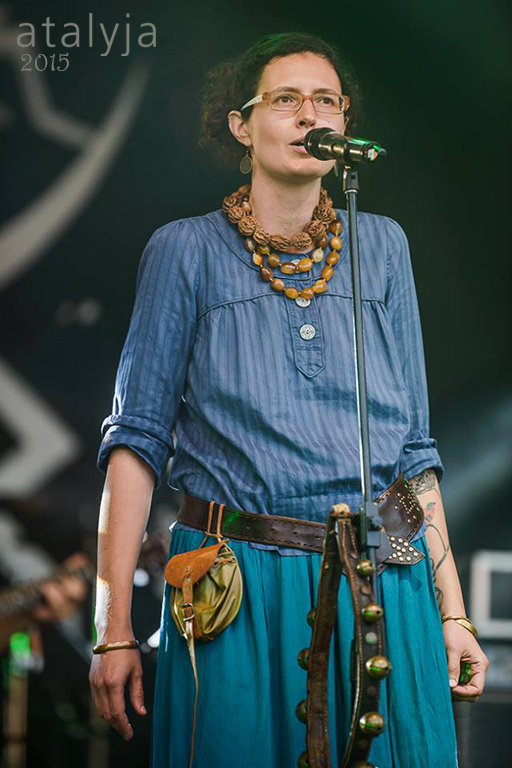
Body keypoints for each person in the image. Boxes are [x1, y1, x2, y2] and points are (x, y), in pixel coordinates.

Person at [89, 32, 489, 768]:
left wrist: (454, 614)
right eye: (285, 99)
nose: (310, 115)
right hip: (235, 581)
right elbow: (136, 442)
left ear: (345, 124)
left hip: (380, 576)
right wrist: (111, 630)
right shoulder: (185, 250)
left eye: (326, 101)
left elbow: (412, 454)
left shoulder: (384, 246)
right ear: (241, 126)